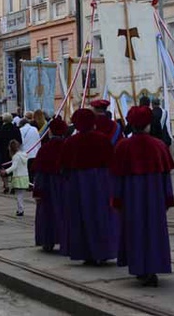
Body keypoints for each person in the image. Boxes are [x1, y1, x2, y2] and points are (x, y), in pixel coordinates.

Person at [110, 106, 174, 287]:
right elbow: (166, 178)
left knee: (135, 233)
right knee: (154, 233)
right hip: (155, 199)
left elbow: (118, 178)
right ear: (148, 125)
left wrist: (117, 199)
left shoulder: (123, 146)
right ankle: (153, 268)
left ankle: (139, 267)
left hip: (132, 200)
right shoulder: (159, 145)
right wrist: (168, 199)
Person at [60, 108, 118, 265]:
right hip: (102, 183)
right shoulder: (103, 139)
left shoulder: (71, 142)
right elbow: (112, 162)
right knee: (102, 216)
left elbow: (64, 167)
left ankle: (86, 253)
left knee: (82, 217)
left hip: (78, 184)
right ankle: (104, 251)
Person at [33, 116, 68, 253]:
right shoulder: (68, 146)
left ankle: (47, 241)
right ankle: (66, 240)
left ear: (50, 131)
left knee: (48, 214)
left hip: (48, 186)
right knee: (65, 214)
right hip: (65, 185)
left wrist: (37, 191)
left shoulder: (45, 149)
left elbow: (39, 172)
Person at [0, 113, 22, 194]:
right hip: (14, 151)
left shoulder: (0, 130)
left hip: (3, 152)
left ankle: (6, 185)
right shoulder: (16, 129)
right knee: (14, 168)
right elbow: (20, 140)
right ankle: (13, 186)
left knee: (4, 168)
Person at [1, 140, 29, 217]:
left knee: (19, 195)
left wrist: (5, 171)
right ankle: (21, 208)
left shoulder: (15, 157)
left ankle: (20, 210)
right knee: (22, 195)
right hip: (25, 177)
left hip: (18, 177)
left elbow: (14, 167)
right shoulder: (24, 155)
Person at [19, 117, 40, 187]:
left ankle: (29, 184)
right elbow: (38, 140)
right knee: (34, 171)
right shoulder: (35, 129)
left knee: (27, 171)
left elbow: (21, 142)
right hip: (35, 153)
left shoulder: (21, 130)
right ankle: (34, 183)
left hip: (26, 153)